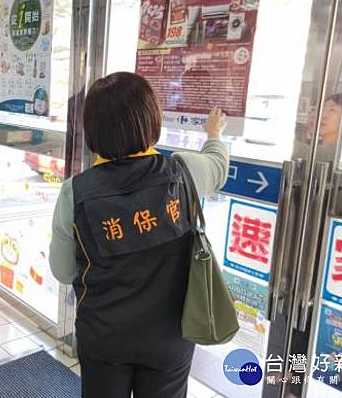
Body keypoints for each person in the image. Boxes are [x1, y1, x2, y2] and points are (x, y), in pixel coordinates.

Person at [49, 72, 229, 398]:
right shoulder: (183, 172)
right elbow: (218, 165)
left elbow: (63, 271)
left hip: (103, 337)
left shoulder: (75, 192)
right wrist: (214, 135)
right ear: (151, 119)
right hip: (170, 335)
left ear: (93, 129)